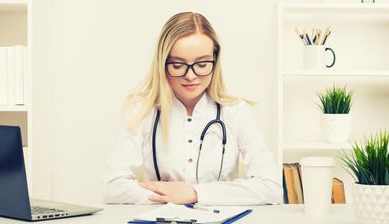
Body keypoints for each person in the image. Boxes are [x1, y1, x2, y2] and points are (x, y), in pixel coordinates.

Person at [102, 12, 282, 205]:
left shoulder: (236, 111)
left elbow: (271, 187)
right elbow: (113, 188)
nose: (190, 76)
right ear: (162, 63)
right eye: (178, 65)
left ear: (215, 61)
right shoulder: (142, 110)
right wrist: (172, 198)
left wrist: (196, 194)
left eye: (202, 64)